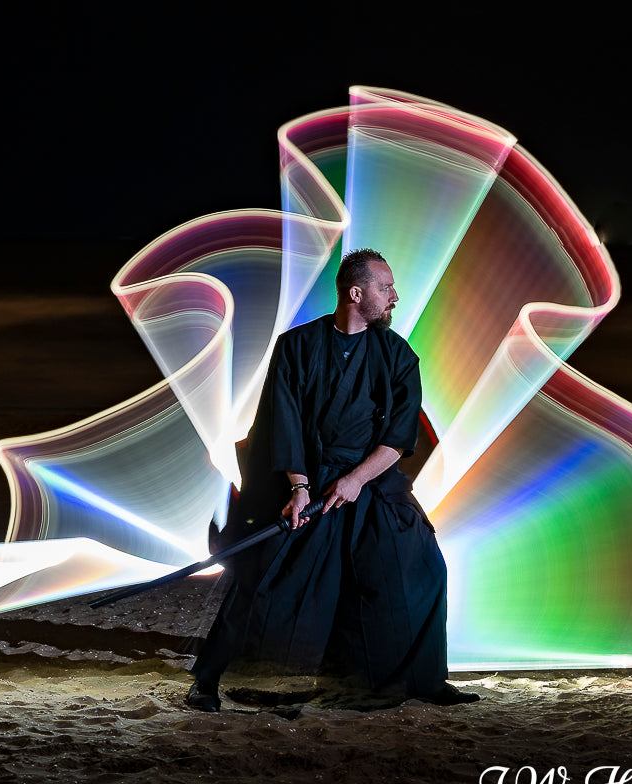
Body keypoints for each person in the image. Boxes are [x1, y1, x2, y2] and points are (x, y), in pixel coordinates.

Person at [186, 248, 478, 711]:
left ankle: (422, 680)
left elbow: (398, 439)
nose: (395, 297)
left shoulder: (398, 356)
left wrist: (356, 480)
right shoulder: (296, 346)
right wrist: (300, 487)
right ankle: (208, 680)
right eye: (386, 288)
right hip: (307, 478)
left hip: (371, 479)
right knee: (270, 571)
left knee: (422, 562)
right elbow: (283, 423)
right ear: (355, 293)